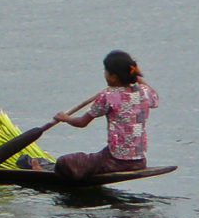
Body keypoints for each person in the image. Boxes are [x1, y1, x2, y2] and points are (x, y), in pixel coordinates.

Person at [49, 50, 159, 180]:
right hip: (139, 161)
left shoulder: (108, 95)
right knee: (93, 158)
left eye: (106, 71)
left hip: (115, 161)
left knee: (64, 162)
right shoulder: (145, 92)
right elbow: (155, 98)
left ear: (113, 77)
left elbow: (82, 123)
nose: (104, 74)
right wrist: (137, 78)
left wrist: (65, 118)